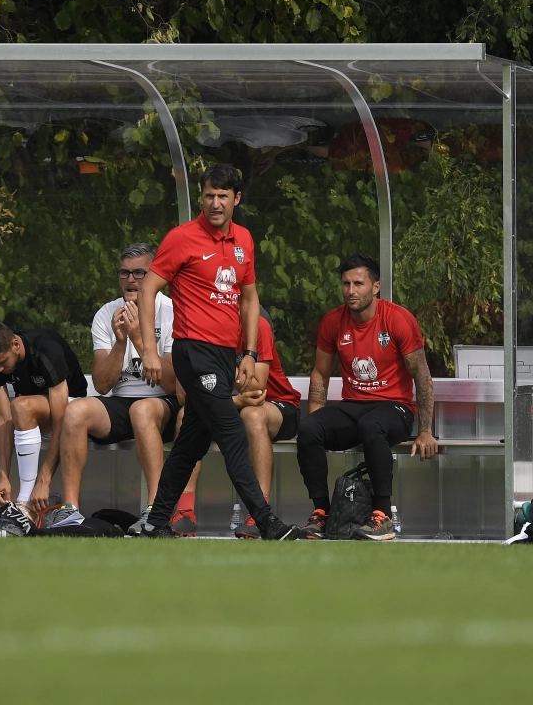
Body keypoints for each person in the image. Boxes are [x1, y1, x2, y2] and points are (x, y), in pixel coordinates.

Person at [134, 163, 302, 539]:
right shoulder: (181, 238)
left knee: (189, 444)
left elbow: (250, 298)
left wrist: (249, 352)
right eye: (209, 195)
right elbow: (148, 290)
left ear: (236, 199)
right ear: (202, 196)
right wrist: (147, 349)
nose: (214, 203)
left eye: (223, 196)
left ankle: (156, 521)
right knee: (231, 432)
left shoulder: (244, 239)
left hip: (227, 356)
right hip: (193, 351)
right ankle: (266, 521)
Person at [28, 243, 181, 529]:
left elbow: (173, 382)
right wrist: (121, 341)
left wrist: (138, 338)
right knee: (75, 412)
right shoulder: (106, 314)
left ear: (155, 274)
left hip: (164, 402)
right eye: (124, 273)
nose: (131, 280)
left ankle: (156, 510)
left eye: (139, 273)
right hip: (122, 402)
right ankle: (71, 510)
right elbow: (101, 383)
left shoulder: (171, 311)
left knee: (143, 410)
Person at [297, 252, 437, 540]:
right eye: (346, 284)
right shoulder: (333, 321)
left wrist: (425, 431)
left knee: (371, 426)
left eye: (359, 284)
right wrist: (318, 421)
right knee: (309, 428)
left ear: (376, 287)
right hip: (354, 406)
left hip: (395, 409)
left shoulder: (398, 319)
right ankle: (322, 514)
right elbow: (320, 375)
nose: (351, 291)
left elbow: (422, 376)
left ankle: (382, 515)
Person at [0, 322, 88, 517]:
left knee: (20, 406)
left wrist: (44, 481)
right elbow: (3, 418)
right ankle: (16, 505)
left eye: (3, 362)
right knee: (20, 407)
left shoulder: (46, 350)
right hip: (31, 412)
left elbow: (62, 420)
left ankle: (25, 504)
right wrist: (3, 476)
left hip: (75, 409)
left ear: (15, 345)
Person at [228, 312, 304, 538]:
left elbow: (257, 386)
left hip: (278, 405)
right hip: (231, 404)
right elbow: (188, 389)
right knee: (187, 415)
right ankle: (184, 512)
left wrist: (213, 368)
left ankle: (260, 514)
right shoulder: (204, 326)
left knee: (252, 415)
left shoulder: (256, 324)